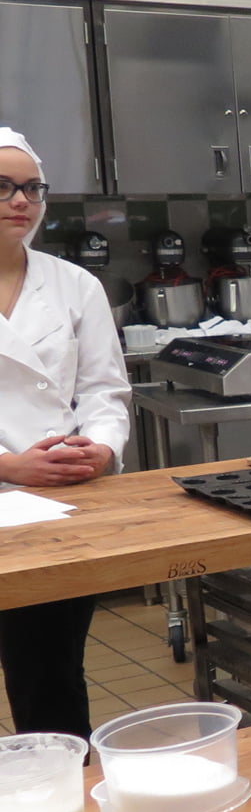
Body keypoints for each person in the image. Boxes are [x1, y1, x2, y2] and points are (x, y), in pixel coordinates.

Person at [0, 126, 132, 738]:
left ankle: (61, 803)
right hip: (8, 486)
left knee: (47, 671)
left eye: (31, 188)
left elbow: (106, 390)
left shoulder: (76, 284)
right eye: (1, 187)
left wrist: (101, 447)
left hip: (59, 510)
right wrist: (8, 467)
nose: (19, 201)